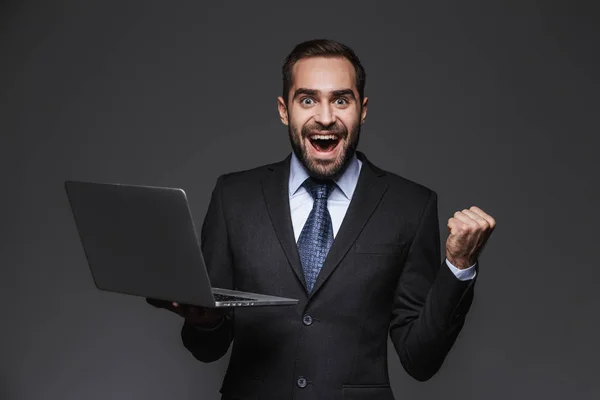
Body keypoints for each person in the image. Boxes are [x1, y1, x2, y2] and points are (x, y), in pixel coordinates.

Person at [148, 39, 496, 400]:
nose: (326, 117)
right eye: (308, 100)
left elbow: (420, 359)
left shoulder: (411, 205)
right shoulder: (233, 196)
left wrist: (459, 266)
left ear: (362, 110)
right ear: (285, 110)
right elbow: (208, 347)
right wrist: (205, 322)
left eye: (341, 100)